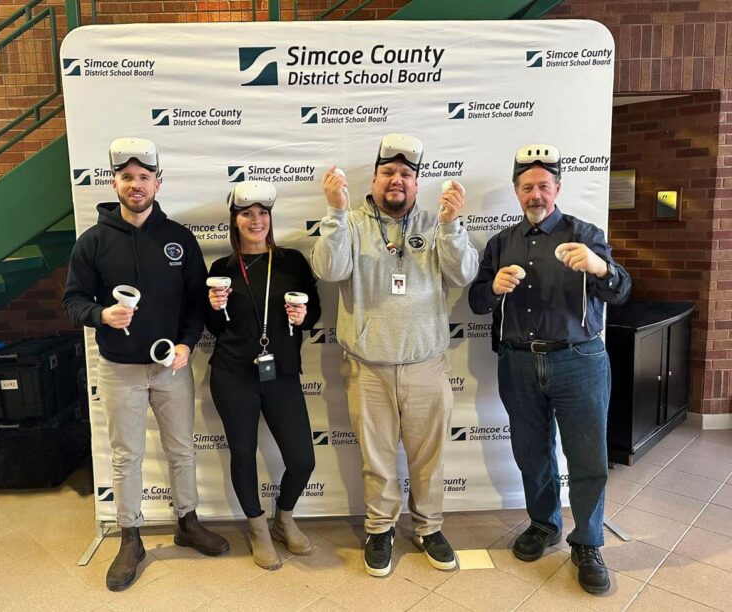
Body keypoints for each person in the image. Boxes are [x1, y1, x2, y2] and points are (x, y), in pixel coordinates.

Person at [63, 138, 229, 592]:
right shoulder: (92, 242)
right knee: (126, 456)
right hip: (120, 368)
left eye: (143, 177)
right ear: (114, 181)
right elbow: (72, 301)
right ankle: (130, 537)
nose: (135, 185)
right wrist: (101, 316)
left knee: (182, 449)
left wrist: (187, 345)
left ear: (158, 182)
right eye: (126, 177)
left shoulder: (179, 238)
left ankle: (187, 522)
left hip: (171, 366)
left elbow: (197, 303)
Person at [311, 133, 479, 577]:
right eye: (389, 172)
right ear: (374, 177)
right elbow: (329, 270)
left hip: (426, 365)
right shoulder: (350, 222)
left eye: (406, 174)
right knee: (378, 459)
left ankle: (429, 527)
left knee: (429, 457)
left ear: (417, 181)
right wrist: (333, 211)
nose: (397, 181)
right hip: (368, 368)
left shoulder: (436, 222)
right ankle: (380, 528)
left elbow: (463, 273)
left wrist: (451, 224)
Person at [468, 144, 631, 595]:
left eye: (543, 185)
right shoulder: (501, 243)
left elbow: (620, 292)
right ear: (516, 192)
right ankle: (544, 524)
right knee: (531, 454)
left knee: (587, 459)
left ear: (557, 187)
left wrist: (601, 267)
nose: (535, 193)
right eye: (527, 187)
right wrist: (493, 289)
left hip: (578, 361)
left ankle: (588, 542)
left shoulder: (586, 233)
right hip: (519, 363)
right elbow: (477, 302)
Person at [205, 180, 321, 570]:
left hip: (281, 371)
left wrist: (304, 317)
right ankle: (257, 527)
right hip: (232, 373)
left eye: (262, 213)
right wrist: (214, 307)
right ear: (234, 221)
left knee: (303, 459)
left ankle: (283, 519)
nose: (256, 221)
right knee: (242, 453)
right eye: (246, 214)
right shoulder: (221, 269)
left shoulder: (291, 262)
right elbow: (213, 328)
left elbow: (315, 312)